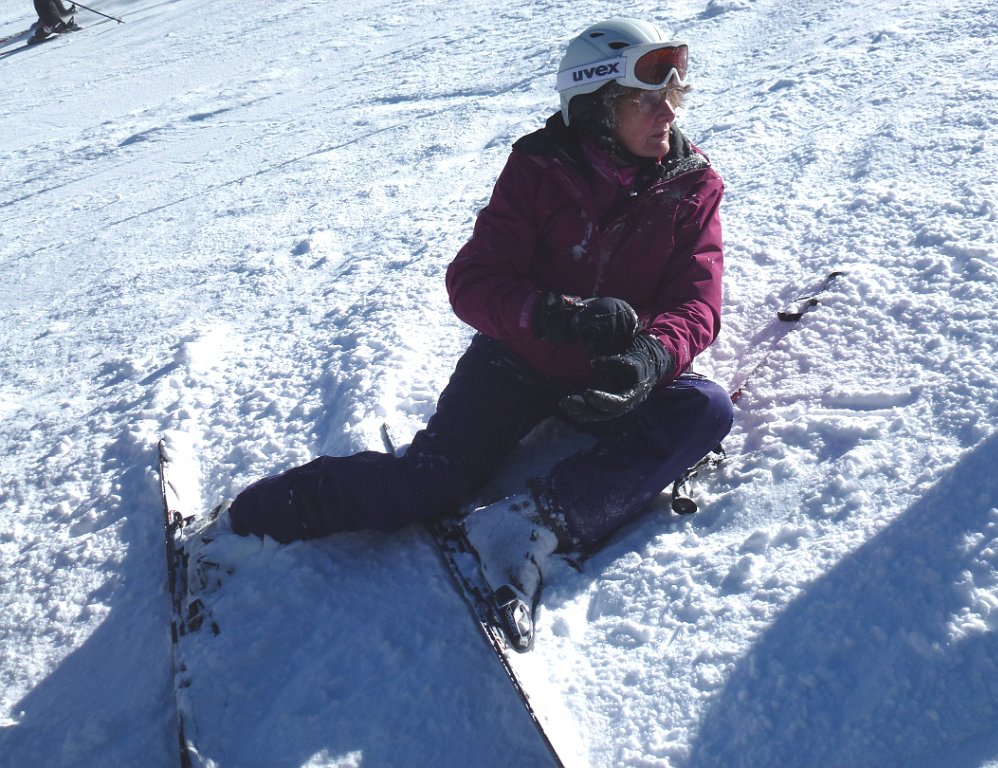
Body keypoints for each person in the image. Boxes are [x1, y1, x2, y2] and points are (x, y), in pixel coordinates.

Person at [223, 17, 733, 646]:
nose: (667, 113)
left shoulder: (692, 185)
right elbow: (474, 280)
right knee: (429, 483)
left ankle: (534, 520)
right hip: (518, 361)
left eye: (672, 97)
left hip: (611, 372)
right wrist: (553, 314)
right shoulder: (540, 169)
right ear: (599, 108)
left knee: (704, 409)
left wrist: (653, 357)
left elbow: (696, 299)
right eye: (646, 98)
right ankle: (259, 512)